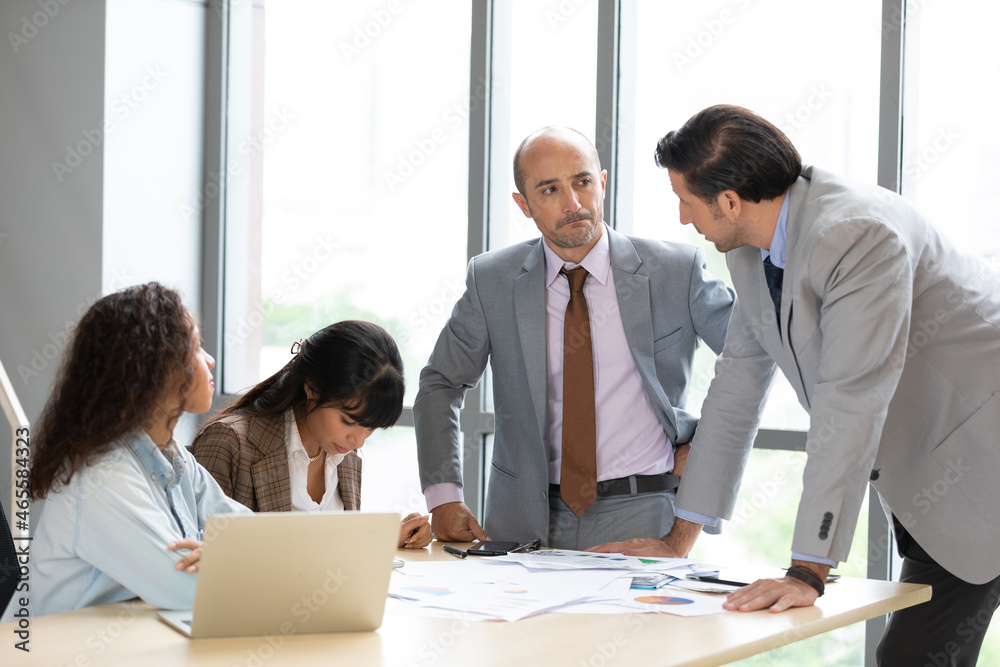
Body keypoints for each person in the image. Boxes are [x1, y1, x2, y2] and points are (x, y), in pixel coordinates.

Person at [593, 104, 1000, 666]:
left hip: (981, 461)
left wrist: (808, 570)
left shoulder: (857, 236)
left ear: (729, 201)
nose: (683, 218)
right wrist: (676, 541)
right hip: (949, 477)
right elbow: (735, 387)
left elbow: (850, 402)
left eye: (685, 201)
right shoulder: (752, 247)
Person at [414, 126, 735, 550]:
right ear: (523, 205)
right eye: (549, 190)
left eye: (582, 182)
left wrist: (706, 443)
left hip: (644, 510)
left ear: (601, 183)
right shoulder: (492, 280)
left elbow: (754, 357)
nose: (573, 203)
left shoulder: (677, 270)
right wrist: (443, 499)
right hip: (521, 522)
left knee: (633, 619)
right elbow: (440, 384)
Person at [0, 282, 251, 621]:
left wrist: (226, 555)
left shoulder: (173, 459)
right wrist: (231, 556)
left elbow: (254, 537)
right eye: (195, 346)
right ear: (156, 368)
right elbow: (185, 590)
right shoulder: (101, 477)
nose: (210, 359)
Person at [191, 321, 432, 549]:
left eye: (370, 427)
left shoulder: (341, 452)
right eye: (348, 421)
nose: (358, 441)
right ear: (311, 387)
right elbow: (198, 559)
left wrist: (384, 538)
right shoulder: (229, 442)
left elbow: (328, 549)